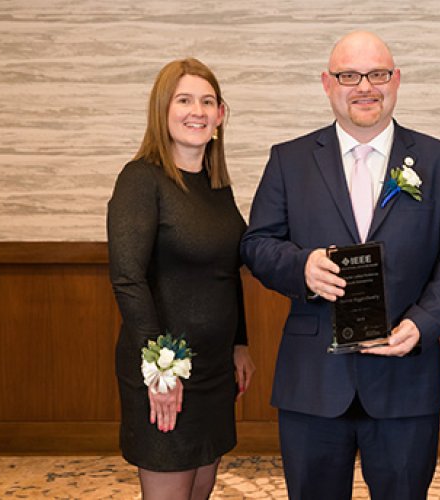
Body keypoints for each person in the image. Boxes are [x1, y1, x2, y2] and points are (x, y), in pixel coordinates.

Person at [241, 31, 440, 499]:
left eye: (377, 74)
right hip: (313, 382)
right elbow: (257, 244)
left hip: (405, 379)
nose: (364, 87)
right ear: (327, 84)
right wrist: (301, 268)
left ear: (396, 80)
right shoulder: (289, 160)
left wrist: (424, 323)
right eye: (349, 75)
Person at [107, 58, 256, 500]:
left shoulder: (217, 187)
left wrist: (240, 343)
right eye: (185, 100)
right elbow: (128, 278)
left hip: (213, 369)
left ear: (222, 114)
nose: (198, 111)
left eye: (208, 101)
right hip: (165, 372)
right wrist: (161, 371)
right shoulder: (141, 179)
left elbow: (226, 273)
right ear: (162, 110)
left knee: (201, 490)